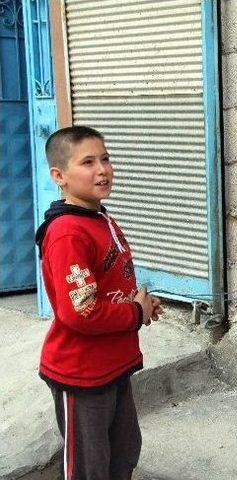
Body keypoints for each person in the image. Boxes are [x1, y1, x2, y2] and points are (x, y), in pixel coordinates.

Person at [35, 126, 162, 480]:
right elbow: (81, 313)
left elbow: (107, 285)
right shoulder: (67, 233)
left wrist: (143, 304)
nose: (102, 169)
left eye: (105, 158)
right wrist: (135, 312)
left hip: (112, 364)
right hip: (81, 372)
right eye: (87, 162)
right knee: (90, 468)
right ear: (59, 176)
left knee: (123, 451)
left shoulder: (98, 217)